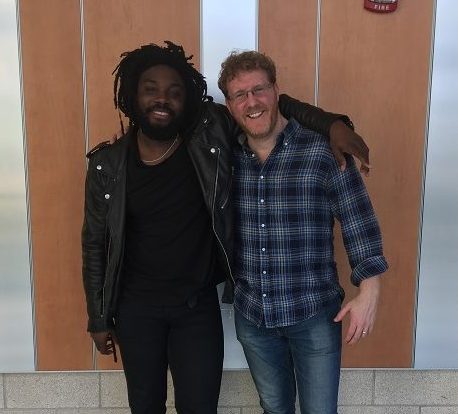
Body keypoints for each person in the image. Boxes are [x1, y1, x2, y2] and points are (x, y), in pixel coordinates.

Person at [81, 41, 371, 414]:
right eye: (150, 89)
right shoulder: (108, 164)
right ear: (132, 94)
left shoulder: (209, 136)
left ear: (187, 99)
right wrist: (99, 315)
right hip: (136, 310)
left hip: (196, 309)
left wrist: (332, 124)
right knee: (145, 405)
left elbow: (264, 105)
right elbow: (94, 243)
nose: (162, 99)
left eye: (174, 92)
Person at [217, 50, 388, 414]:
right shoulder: (224, 159)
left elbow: (359, 220)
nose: (252, 102)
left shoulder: (322, 150)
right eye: (239, 95)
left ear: (277, 90)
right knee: (274, 408)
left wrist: (369, 290)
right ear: (230, 105)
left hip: (313, 314)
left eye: (259, 89)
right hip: (254, 317)